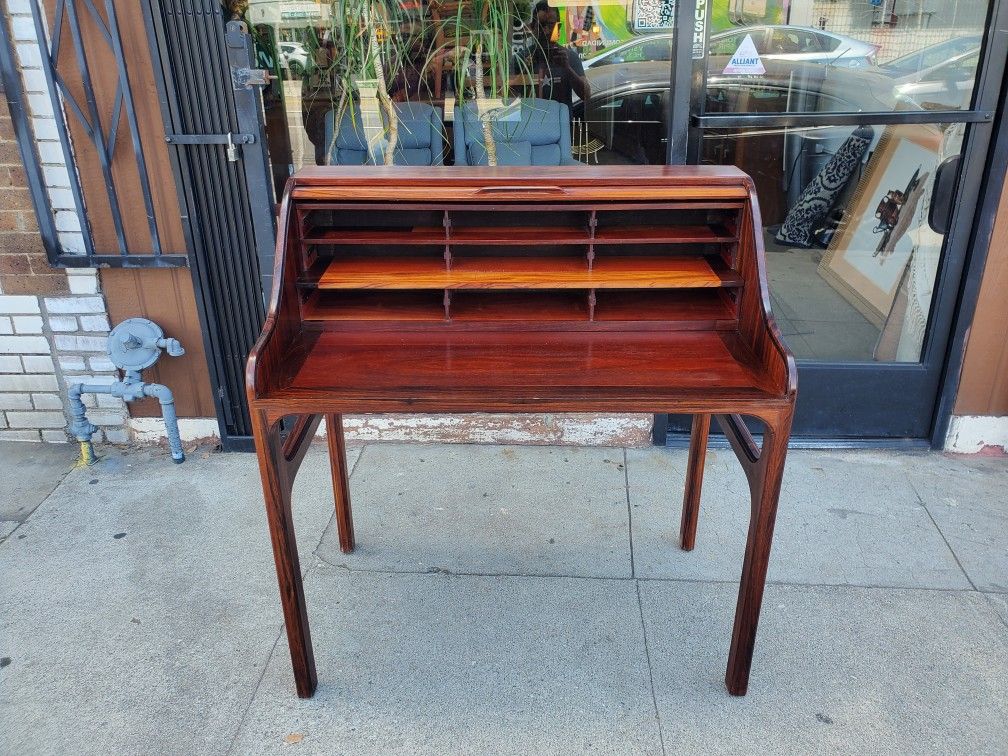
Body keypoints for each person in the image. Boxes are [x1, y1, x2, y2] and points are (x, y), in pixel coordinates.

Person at [527, 1, 589, 110]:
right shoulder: (523, 59)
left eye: (551, 25)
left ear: (558, 27)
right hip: (533, 125)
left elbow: (586, 95)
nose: (546, 31)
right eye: (541, 25)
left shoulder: (569, 57)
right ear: (532, 28)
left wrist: (567, 68)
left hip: (561, 125)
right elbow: (509, 99)